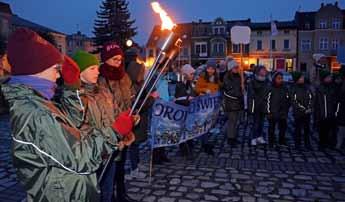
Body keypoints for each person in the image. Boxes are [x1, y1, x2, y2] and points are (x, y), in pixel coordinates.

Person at [1, 28, 119, 201]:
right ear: (37, 69)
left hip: (67, 190)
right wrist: (115, 131)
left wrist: (72, 87)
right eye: (56, 69)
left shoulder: (39, 101)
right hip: (62, 195)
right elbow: (80, 155)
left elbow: (71, 123)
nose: (59, 75)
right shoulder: (37, 112)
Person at [98, 42, 137, 202]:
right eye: (114, 59)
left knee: (121, 167)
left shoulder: (124, 77)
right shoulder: (100, 79)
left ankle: (121, 194)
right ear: (106, 59)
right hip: (111, 129)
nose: (118, 62)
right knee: (109, 168)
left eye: (120, 59)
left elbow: (131, 97)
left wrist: (134, 114)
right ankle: (110, 196)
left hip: (125, 129)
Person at [174, 64, 198, 157]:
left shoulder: (190, 83)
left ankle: (189, 147)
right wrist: (188, 98)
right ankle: (184, 150)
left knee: (189, 130)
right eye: (191, 74)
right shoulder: (180, 85)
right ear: (186, 74)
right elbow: (178, 99)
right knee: (183, 131)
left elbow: (192, 93)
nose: (193, 76)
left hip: (189, 111)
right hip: (182, 111)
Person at [314, 70, 337, 150]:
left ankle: (328, 143)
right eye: (328, 77)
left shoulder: (333, 87)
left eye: (330, 77)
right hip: (322, 114)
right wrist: (317, 115)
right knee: (322, 130)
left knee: (329, 129)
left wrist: (335, 112)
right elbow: (317, 103)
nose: (330, 78)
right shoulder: (320, 89)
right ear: (324, 78)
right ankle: (322, 143)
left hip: (331, 113)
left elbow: (335, 100)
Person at [222, 60, 244, 146]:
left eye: (237, 67)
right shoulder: (227, 77)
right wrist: (238, 93)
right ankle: (230, 139)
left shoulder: (238, 76)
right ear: (231, 68)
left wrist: (242, 77)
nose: (237, 69)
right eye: (235, 67)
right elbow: (230, 89)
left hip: (237, 102)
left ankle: (233, 137)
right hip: (231, 103)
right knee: (232, 121)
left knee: (235, 122)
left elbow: (241, 86)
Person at [266, 72, 290, 148]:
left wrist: (286, 108)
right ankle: (271, 142)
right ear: (275, 79)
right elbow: (267, 100)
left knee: (283, 127)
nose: (280, 80)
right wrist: (268, 111)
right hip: (273, 112)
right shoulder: (270, 88)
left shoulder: (285, 88)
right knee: (271, 128)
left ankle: (281, 141)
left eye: (281, 78)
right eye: (278, 78)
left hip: (282, 112)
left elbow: (288, 98)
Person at [247, 66, 270, 146]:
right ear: (258, 72)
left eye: (265, 70)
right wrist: (251, 108)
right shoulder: (252, 82)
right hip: (255, 105)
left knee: (262, 122)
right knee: (255, 123)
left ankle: (259, 137)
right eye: (262, 71)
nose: (264, 72)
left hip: (263, 105)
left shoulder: (267, 81)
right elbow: (250, 96)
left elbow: (269, 92)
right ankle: (253, 137)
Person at [290, 72, 313, 150]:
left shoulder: (307, 88)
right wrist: (303, 109)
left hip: (307, 113)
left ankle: (307, 143)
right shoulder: (294, 89)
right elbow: (294, 101)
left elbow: (311, 98)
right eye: (301, 78)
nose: (303, 79)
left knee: (307, 129)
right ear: (297, 79)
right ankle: (297, 144)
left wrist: (310, 107)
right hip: (298, 113)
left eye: (303, 77)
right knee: (298, 129)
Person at [336, 68, 345, 149]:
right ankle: (339, 143)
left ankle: (339, 143)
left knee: (341, 126)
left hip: (341, 106)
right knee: (341, 126)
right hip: (341, 106)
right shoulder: (340, 84)